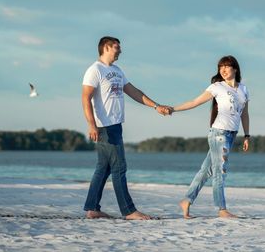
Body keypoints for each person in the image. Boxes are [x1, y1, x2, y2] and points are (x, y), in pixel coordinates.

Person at [82, 36, 171, 220]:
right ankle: (128, 210)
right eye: (117, 47)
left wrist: (156, 106)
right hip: (104, 126)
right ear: (106, 47)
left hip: (116, 124)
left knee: (104, 168)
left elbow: (135, 92)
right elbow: (85, 98)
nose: (120, 51)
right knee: (119, 167)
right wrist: (92, 125)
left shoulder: (117, 70)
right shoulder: (94, 70)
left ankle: (92, 209)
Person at [171, 55, 250, 219]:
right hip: (219, 133)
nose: (223, 69)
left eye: (227, 66)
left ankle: (186, 200)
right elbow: (195, 102)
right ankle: (221, 209)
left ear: (235, 68)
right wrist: (173, 109)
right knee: (220, 171)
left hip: (232, 134)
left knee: (206, 171)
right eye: (221, 67)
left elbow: (245, 114)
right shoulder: (217, 87)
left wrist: (247, 135)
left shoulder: (243, 89)